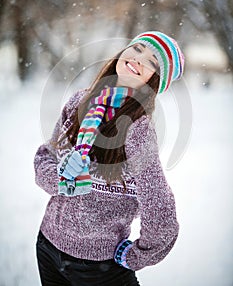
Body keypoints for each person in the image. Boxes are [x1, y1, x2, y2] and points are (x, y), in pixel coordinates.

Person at [34, 31, 185, 286]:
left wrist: (138, 256)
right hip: (47, 247)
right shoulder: (79, 101)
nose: (139, 60)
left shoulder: (138, 130)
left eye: (152, 62)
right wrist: (62, 178)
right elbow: (45, 157)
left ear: (155, 81)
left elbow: (161, 211)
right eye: (137, 49)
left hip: (97, 269)